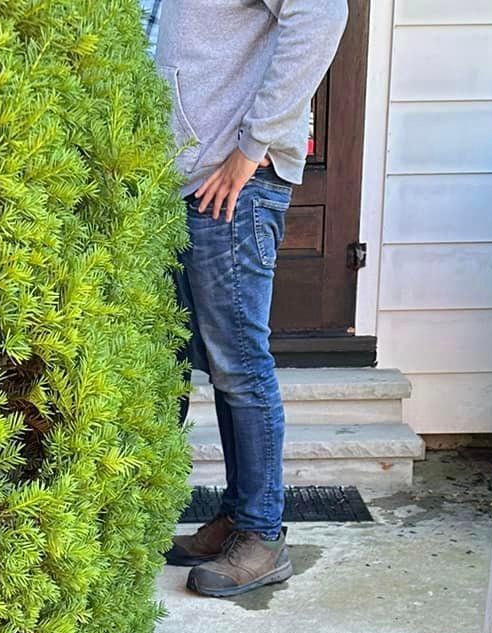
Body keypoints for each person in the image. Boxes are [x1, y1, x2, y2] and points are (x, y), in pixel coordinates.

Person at [148, 0, 349, 596]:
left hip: (233, 186)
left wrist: (251, 147)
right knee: (220, 367)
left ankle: (262, 536)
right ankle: (239, 519)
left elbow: (321, 15)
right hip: (195, 182)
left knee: (240, 365)